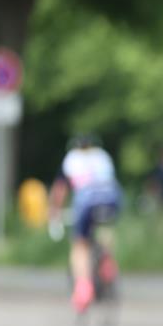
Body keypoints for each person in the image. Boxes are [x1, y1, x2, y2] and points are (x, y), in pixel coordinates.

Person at [49, 133, 123, 313]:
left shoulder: (71, 159)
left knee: (80, 245)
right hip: (112, 198)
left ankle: (83, 288)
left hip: (86, 200)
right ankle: (107, 261)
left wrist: (54, 213)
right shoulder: (102, 156)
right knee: (106, 227)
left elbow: (60, 190)